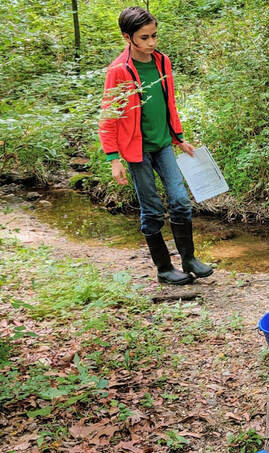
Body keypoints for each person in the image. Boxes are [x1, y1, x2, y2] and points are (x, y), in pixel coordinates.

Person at [98, 7, 212, 285]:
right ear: (128, 38)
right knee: (151, 209)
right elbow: (109, 115)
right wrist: (113, 158)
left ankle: (189, 259)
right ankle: (164, 268)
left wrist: (179, 137)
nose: (151, 43)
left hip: (163, 144)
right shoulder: (119, 70)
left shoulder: (162, 62)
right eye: (144, 37)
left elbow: (168, 103)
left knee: (181, 201)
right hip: (136, 151)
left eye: (154, 36)